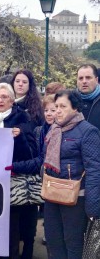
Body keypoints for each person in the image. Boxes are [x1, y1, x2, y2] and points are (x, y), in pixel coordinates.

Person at [42, 90, 100, 259]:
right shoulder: (54, 129)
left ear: (75, 108)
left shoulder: (88, 131)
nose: (57, 110)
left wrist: (93, 207)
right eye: (56, 106)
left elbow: (94, 170)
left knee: (73, 243)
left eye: (63, 107)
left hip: (75, 198)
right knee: (53, 241)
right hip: (52, 194)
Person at [0, 83, 36, 259]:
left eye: (4, 97)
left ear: (12, 100)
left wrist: (18, 138)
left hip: (10, 179)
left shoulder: (21, 117)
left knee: (10, 228)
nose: (0, 100)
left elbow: (30, 153)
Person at [10, 69, 43, 259]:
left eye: (24, 82)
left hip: (28, 164)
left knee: (29, 208)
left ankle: (29, 247)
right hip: (9, 166)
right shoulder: (5, 103)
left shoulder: (34, 109)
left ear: (30, 86)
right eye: (17, 81)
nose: (20, 84)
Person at [77, 64, 100, 130]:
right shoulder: (69, 100)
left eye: (88, 77)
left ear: (96, 80)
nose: (84, 81)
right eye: (80, 78)